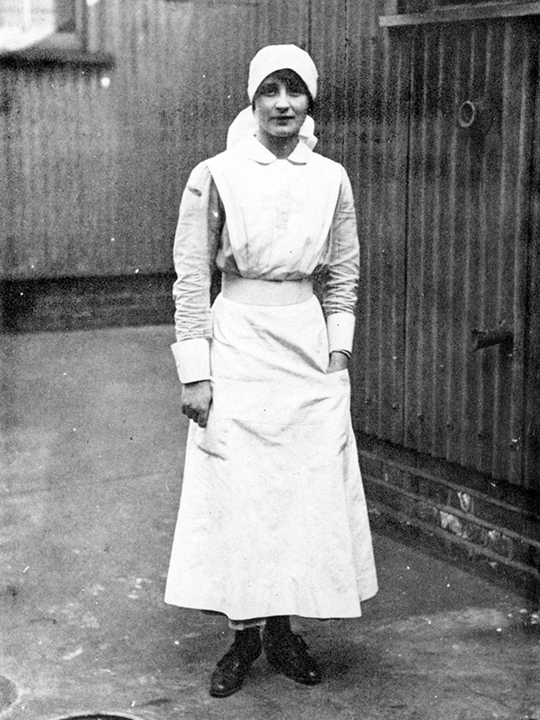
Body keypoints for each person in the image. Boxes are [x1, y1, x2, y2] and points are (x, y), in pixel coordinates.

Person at [165, 44, 378, 698]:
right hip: (237, 347)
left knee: (298, 495)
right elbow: (191, 279)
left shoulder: (331, 178)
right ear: (252, 100)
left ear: (310, 100)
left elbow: (343, 275)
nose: (283, 104)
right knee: (241, 493)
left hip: (307, 353)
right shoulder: (216, 174)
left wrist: (336, 355)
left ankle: (282, 631)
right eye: (270, 92)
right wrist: (196, 372)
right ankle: (242, 638)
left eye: (295, 91)